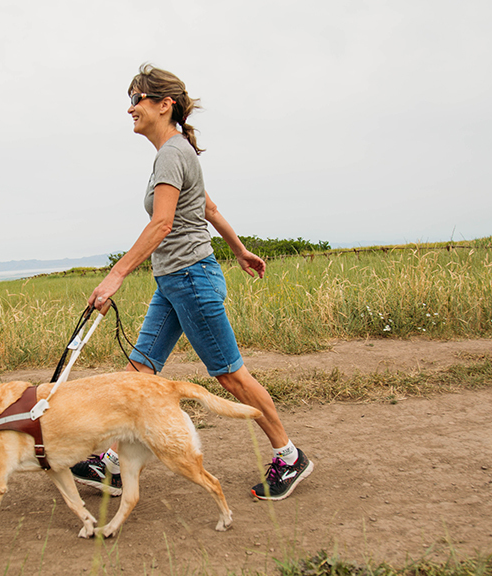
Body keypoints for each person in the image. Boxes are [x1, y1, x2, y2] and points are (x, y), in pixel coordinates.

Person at [70, 64, 313, 501]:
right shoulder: (177, 152)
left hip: (191, 279)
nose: (129, 109)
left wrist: (116, 274)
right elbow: (210, 207)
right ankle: (110, 464)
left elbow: (162, 223)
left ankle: (290, 456)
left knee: (231, 376)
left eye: (136, 99)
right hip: (173, 282)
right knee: (139, 370)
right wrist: (239, 250)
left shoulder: (172, 154)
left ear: (164, 105)